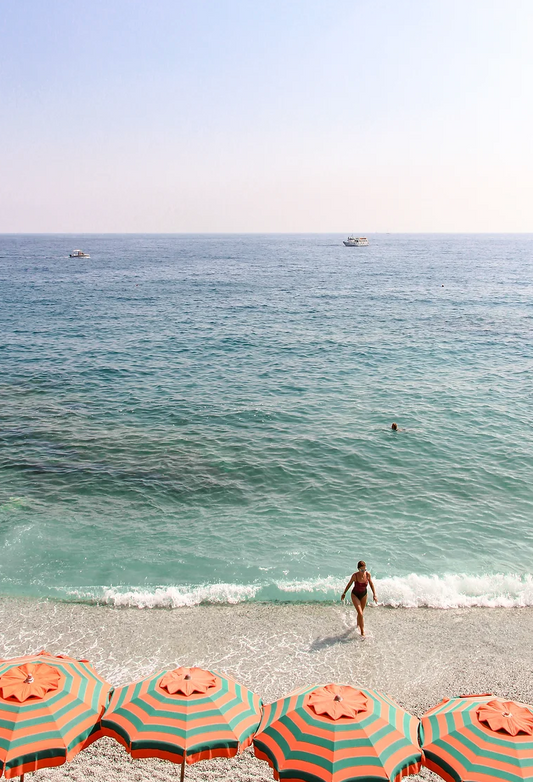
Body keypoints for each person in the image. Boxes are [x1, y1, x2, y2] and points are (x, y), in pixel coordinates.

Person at [341, 560, 377, 638]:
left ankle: (358, 625)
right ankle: (362, 632)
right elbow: (349, 584)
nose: (363, 571)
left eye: (364, 569)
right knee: (360, 613)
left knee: (360, 613)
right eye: (362, 570)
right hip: (355, 595)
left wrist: (374, 595)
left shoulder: (367, 575)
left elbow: (371, 584)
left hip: (364, 595)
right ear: (358, 569)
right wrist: (344, 593)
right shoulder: (355, 576)